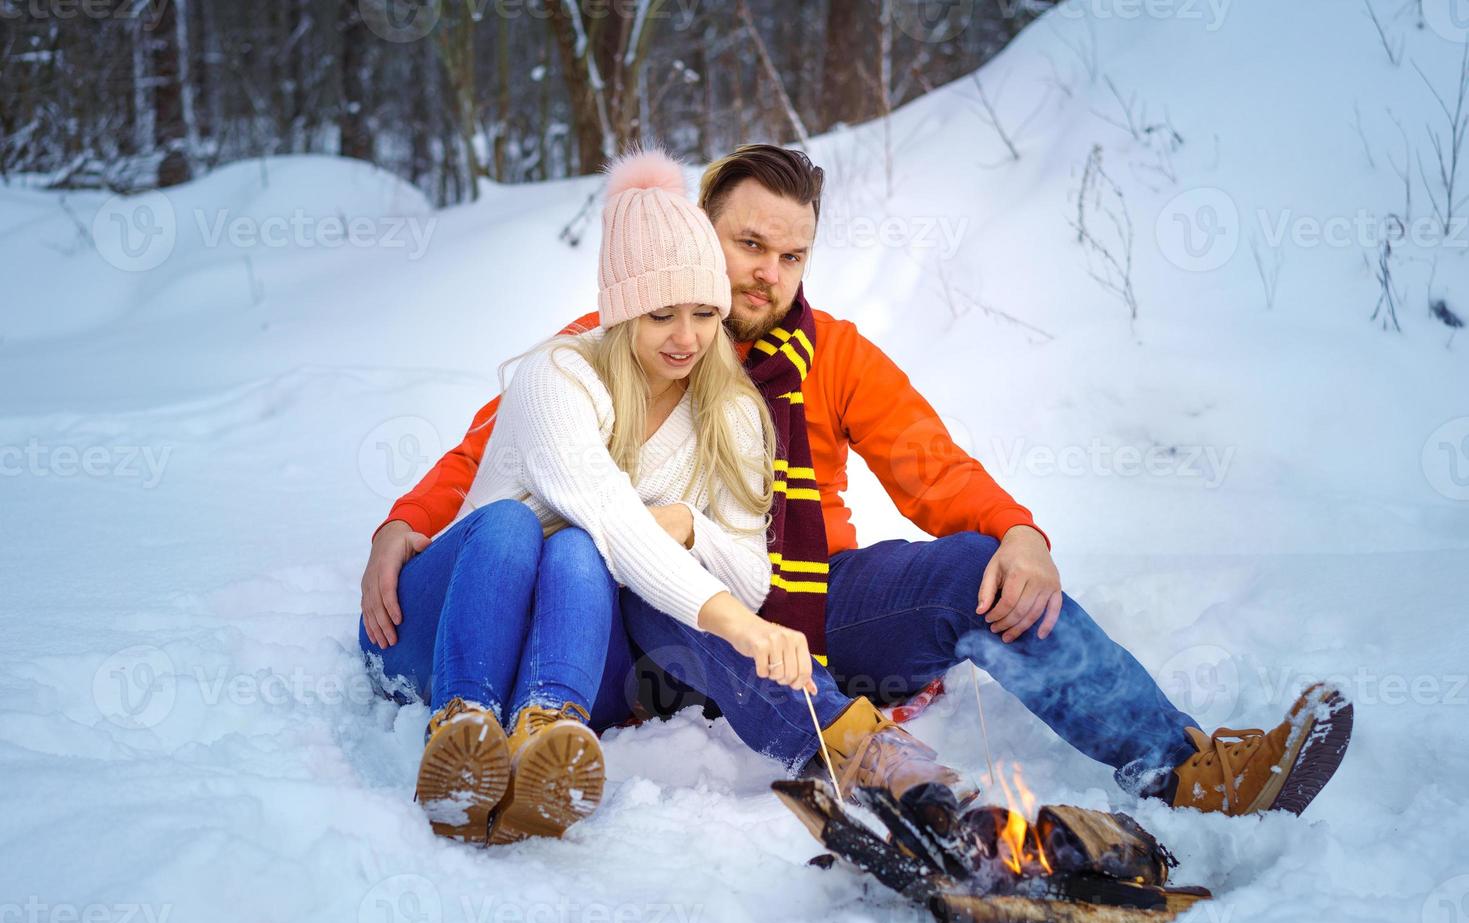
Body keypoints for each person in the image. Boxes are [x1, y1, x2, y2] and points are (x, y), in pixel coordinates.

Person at [364, 144, 1351, 819]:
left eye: (790, 254)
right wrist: (403, 527)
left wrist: (1017, 533)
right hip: (643, 612)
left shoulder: (832, 355)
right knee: (661, 581)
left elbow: (930, 464)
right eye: (746, 245)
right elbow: (497, 460)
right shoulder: (620, 341)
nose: (765, 275)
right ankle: (865, 762)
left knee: (974, 570)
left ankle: (1188, 767)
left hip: (804, 592)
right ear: (696, 235)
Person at [358, 149, 822, 846]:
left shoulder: (732, 414)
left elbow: (752, 576)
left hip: (571, 659)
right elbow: (610, 518)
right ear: (622, 310)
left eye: (704, 313)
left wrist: (691, 526)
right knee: (517, 525)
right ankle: (462, 731)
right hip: (444, 628)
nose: (687, 338)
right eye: (662, 314)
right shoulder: (561, 376)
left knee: (576, 550)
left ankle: (547, 734)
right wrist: (742, 629)